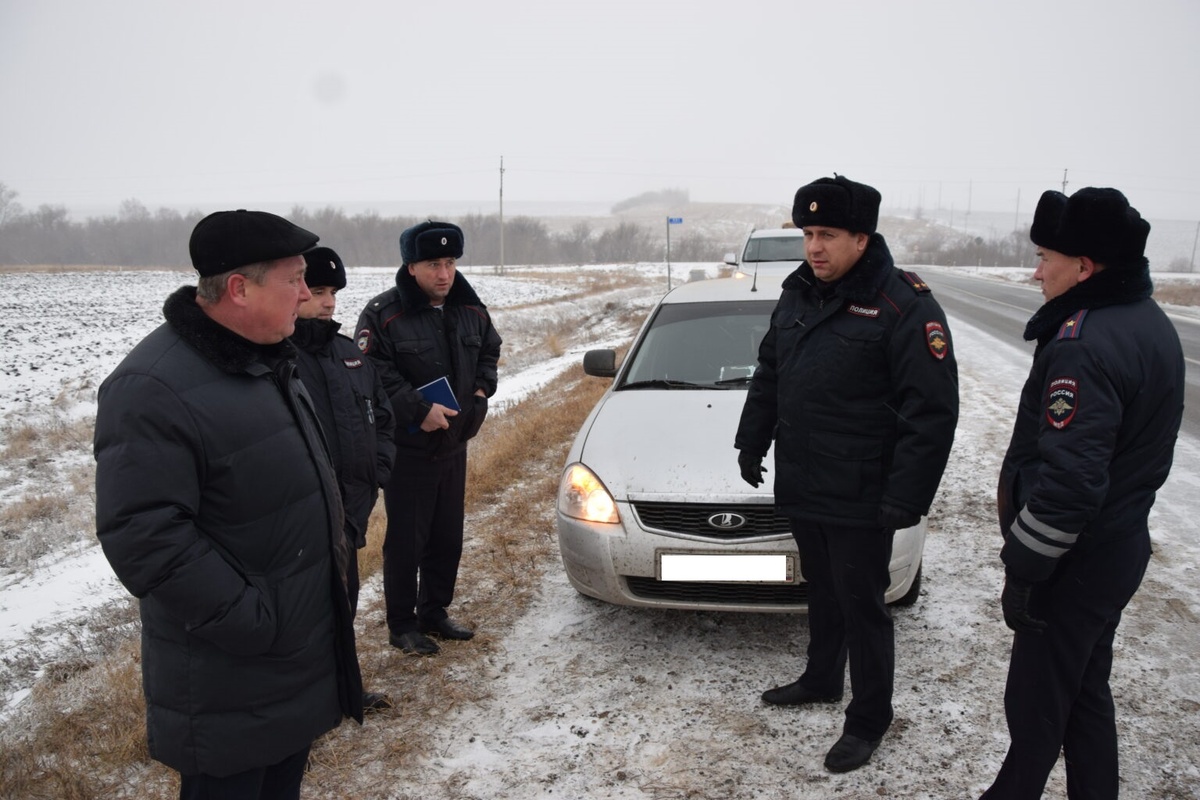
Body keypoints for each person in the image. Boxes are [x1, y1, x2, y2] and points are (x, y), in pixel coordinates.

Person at [94, 210, 363, 799]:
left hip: (293, 654)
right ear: (239, 289)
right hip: (229, 675)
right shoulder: (152, 388)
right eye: (294, 279)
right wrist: (254, 619)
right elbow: (143, 535)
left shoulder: (267, 357)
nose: (306, 292)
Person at [734, 175, 959, 773]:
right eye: (808, 233)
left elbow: (931, 413)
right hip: (806, 480)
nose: (814, 247)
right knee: (822, 589)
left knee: (864, 605)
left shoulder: (903, 305)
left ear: (862, 237)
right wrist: (751, 439)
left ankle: (867, 720)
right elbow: (771, 372)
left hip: (866, 492)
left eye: (827, 234)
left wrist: (905, 498)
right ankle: (821, 678)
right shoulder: (798, 293)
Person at [981, 188, 1184, 799]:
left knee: (1038, 710)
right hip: (1116, 548)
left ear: (1086, 267)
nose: (1036, 271)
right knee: (1085, 694)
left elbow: (1069, 484)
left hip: (1074, 562)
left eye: (1047, 257)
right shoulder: (1146, 320)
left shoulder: (1083, 342)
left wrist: (1025, 570)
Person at [356, 220, 501, 656]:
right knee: (407, 539)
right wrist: (420, 410)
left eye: (451, 262)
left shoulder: (469, 309)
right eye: (433, 263)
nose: (444, 273)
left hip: (455, 441)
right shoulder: (384, 315)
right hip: (410, 447)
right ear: (411, 266)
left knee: (446, 536)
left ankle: (434, 612)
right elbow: (373, 373)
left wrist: (480, 391)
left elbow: (489, 350)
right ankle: (402, 624)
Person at [293, 245, 397, 711]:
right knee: (303, 617)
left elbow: (383, 419)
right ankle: (305, 706)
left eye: (333, 292)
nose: (329, 302)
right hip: (301, 518)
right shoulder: (278, 359)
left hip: (350, 511)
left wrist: (377, 473)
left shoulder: (348, 355)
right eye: (317, 291)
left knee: (344, 605)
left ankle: (343, 691)